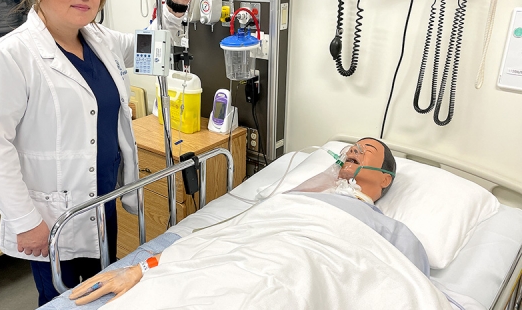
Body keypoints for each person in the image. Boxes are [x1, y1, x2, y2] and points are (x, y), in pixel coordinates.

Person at [0, 0, 203, 306]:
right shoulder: (10, 56)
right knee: (61, 300)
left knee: (101, 290)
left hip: (101, 199)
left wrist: (178, 0)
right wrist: (25, 221)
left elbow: (150, 42)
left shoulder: (97, 39)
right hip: (49, 213)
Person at [68, 138, 430, 306]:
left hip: (307, 264)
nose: (353, 150)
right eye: (352, 147)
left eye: (365, 151)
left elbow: (405, 280)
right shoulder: (291, 201)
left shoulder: (390, 230)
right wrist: (147, 267)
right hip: (256, 253)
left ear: (384, 179)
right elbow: (226, 237)